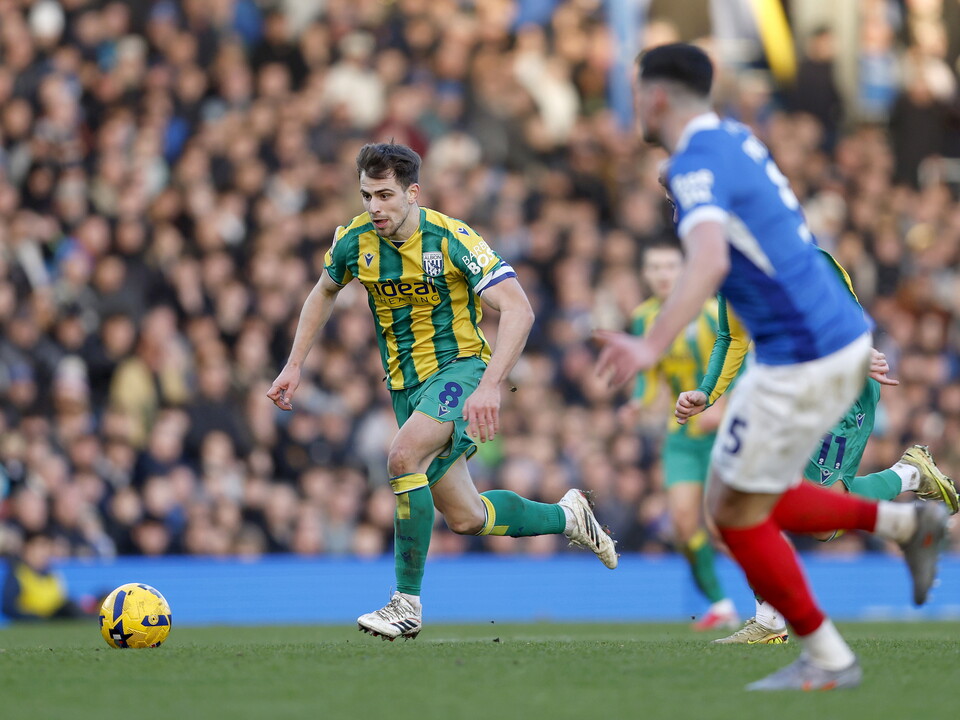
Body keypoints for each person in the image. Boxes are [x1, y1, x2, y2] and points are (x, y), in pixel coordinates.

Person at [595, 43, 950, 691]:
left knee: (742, 508)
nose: (633, 100)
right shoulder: (732, 140)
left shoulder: (696, 163)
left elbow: (708, 262)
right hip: (805, 347)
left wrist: (651, 343)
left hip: (803, 352)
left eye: (635, 88)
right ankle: (901, 528)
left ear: (659, 97)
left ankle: (838, 634)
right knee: (738, 502)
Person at [268, 142, 617, 641]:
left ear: (413, 193)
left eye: (385, 195)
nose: (374, 207)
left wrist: (491, 385)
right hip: (406, 387)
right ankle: (569, 516)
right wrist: (294, 365)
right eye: (367, 195)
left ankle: (406, 602)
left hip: (462, 371)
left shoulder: (451, 238)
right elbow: (324, 290)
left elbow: (518, 309)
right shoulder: (355, 242)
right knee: (467, 517)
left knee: (401, 457)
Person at [674, 247, 959, 645]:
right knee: (759, 497)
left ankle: (909, 477)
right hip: (790, 398)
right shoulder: (728, 272)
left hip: (839, 391)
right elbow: (731, 337)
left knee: (797, 511)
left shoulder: (804, 258)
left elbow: (845, 318)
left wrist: (857, 355)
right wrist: (707, 393)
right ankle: (771, 620)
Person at [623, 238, 739, 631]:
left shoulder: (710, 312)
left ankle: (775, 599)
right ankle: (721, 605)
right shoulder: (644, 317)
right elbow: (648, 373)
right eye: (654, 267)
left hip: (726, 432)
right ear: (645, 274)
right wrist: (640, 401)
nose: (662, 274)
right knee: (685, 522)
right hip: (682, 433)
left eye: (670, 266)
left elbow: (744, 358)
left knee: (728, 528)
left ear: (685, 271)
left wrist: (721, 404)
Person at [1, 532, 85, 620]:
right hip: (34, 621)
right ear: (26, 549)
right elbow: (8, 607)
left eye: (46, 548)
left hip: (54, 617)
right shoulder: (18, 574)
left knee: (70, 607)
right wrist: (35, 618)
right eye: (39, 548)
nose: (43, 553)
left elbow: (61, 600)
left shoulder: (53, 575)